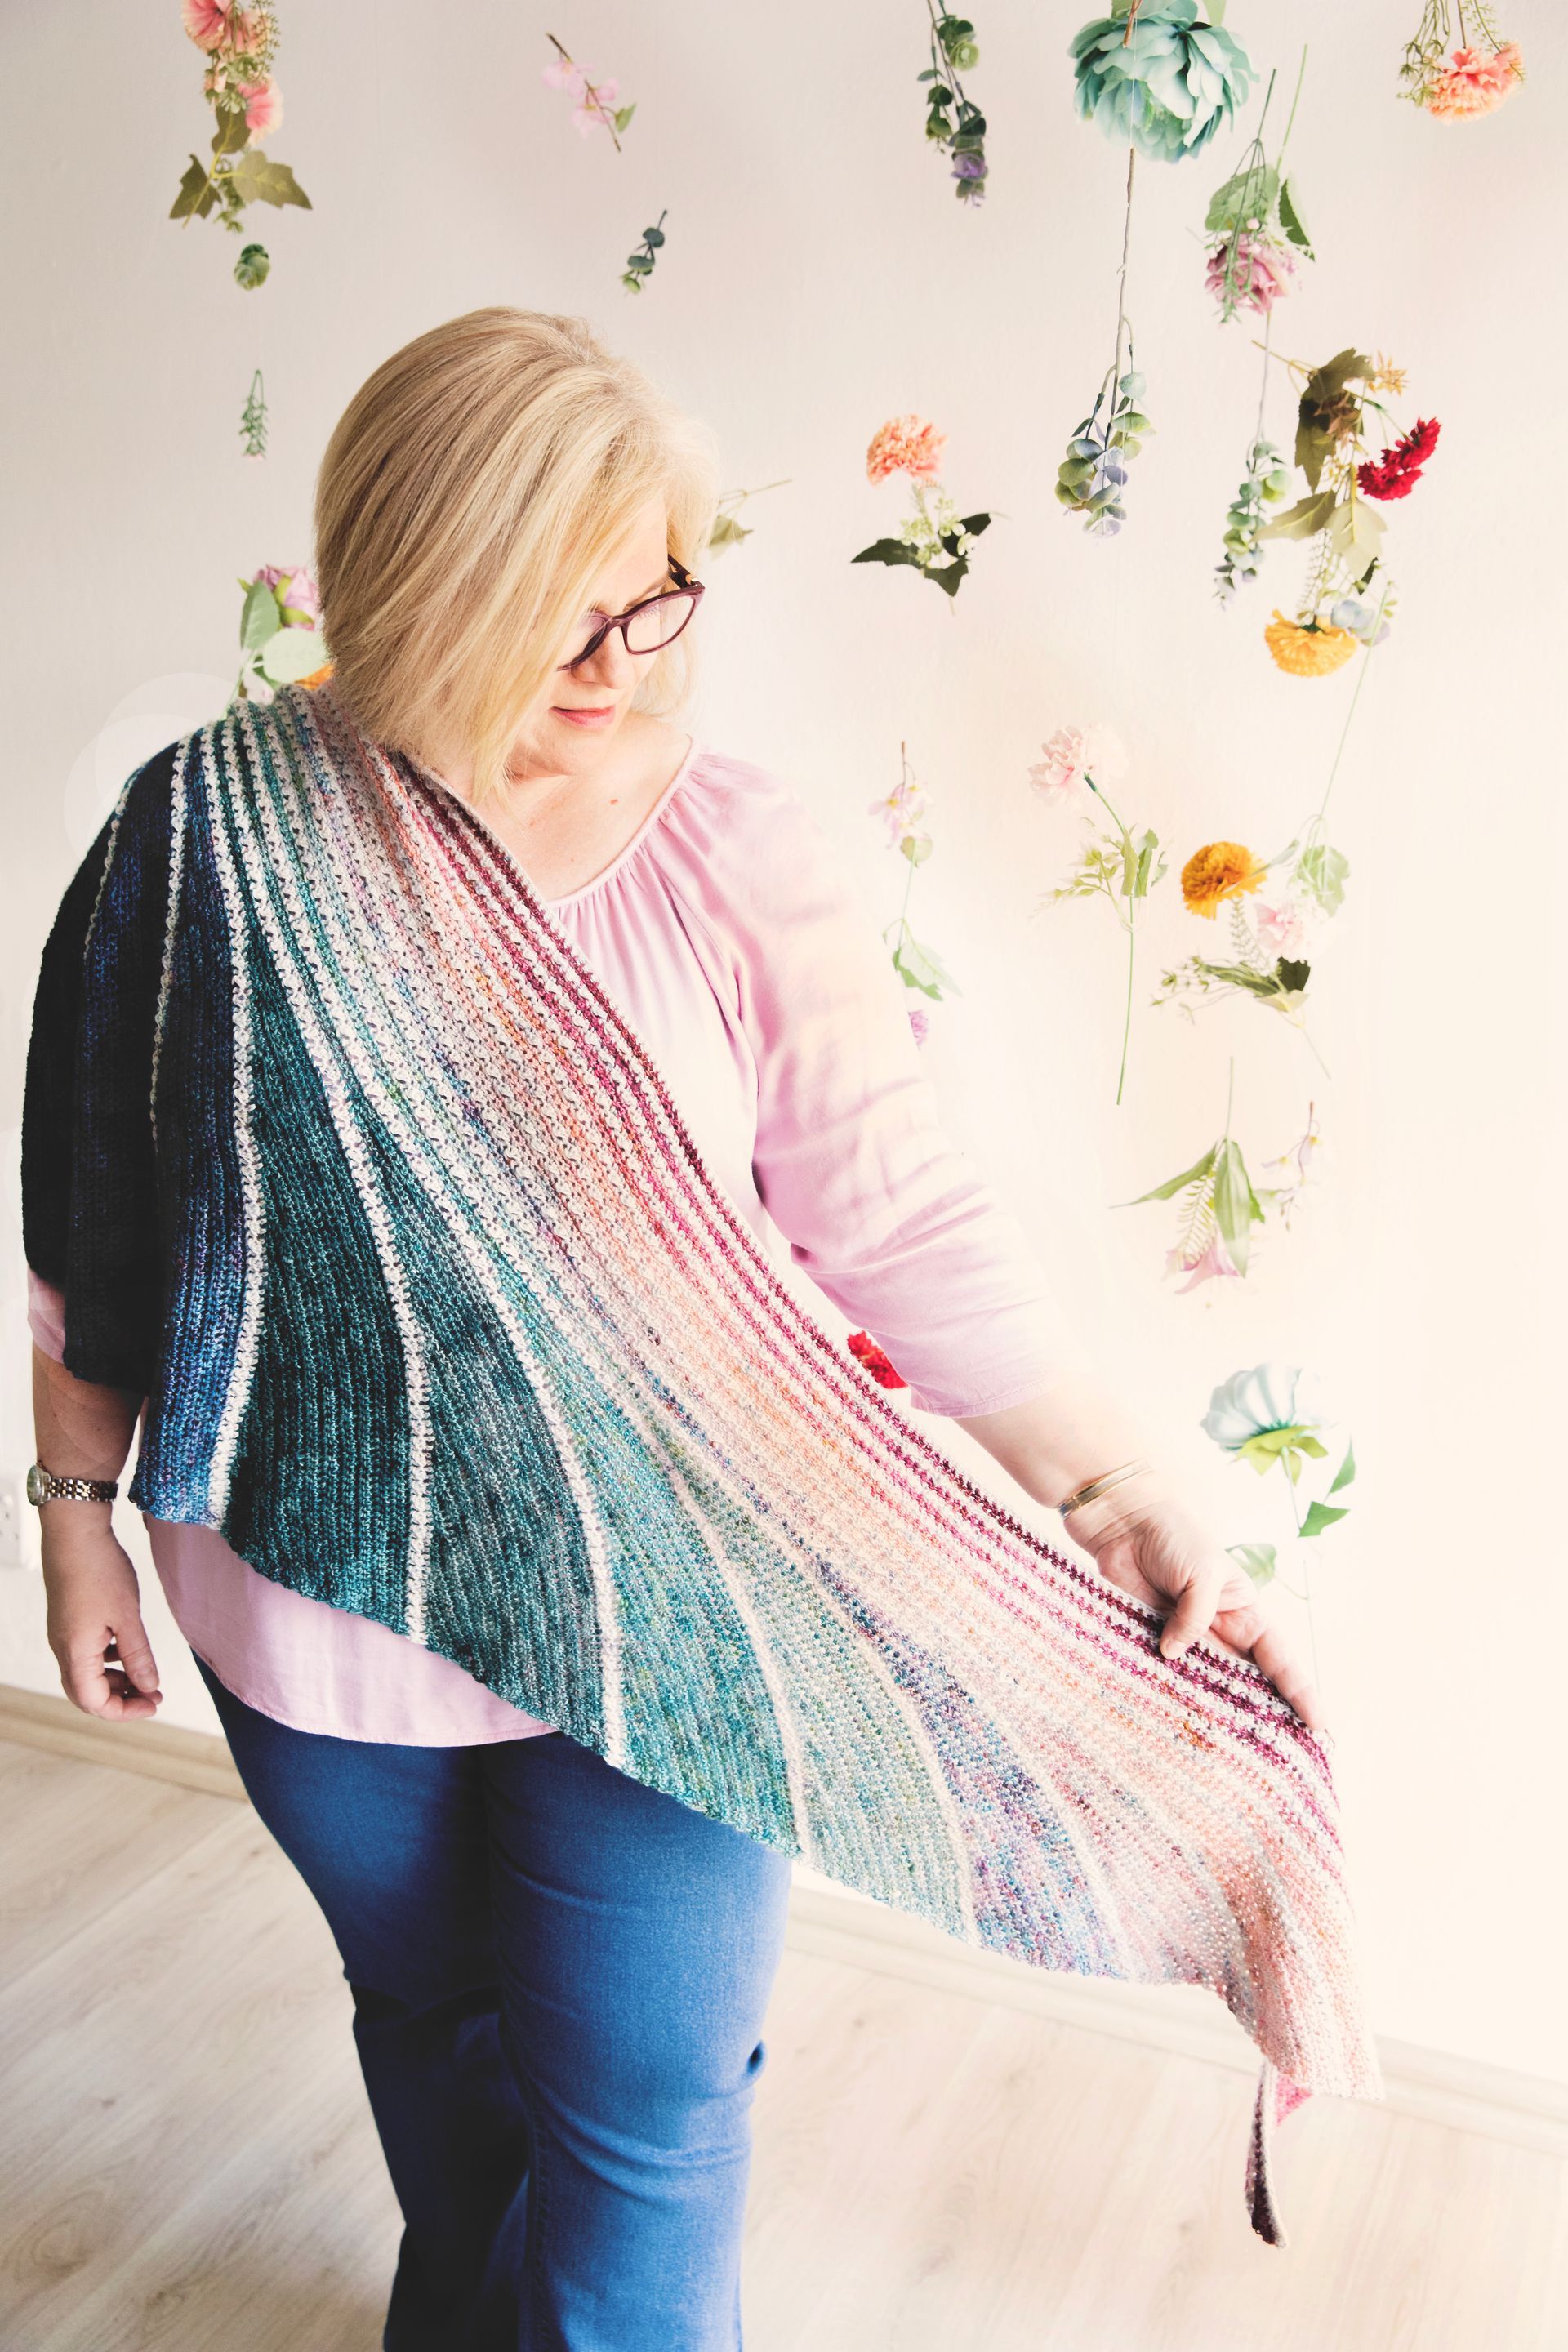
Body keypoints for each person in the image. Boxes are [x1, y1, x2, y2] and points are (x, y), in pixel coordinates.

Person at [24, 307, 1323, 2350]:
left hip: (679, 1627)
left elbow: (901, 1223)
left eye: (659, 604)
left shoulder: (737, 856)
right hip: (312, 1636)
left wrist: (1118, 1487)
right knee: (438, 2054)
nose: (622, 669)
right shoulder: (210, 843)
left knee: (643, 2152)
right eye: (556, 617)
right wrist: (77, 1514)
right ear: (403, 593)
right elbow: (105, 1224)